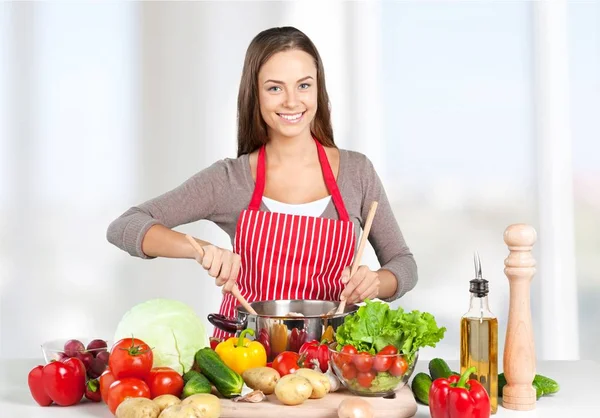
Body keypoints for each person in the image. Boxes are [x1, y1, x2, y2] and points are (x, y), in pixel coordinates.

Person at [106, 26, 418, 339]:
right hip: (244, 367)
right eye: (275, 88)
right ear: (255, 93)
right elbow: (124, 227)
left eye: (303, 85)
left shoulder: (357, 171)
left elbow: (403, 264)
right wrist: (199, 249)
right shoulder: (231, 179)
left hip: (333, 365)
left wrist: (377, 281)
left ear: (318, 90)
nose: (292, 101)